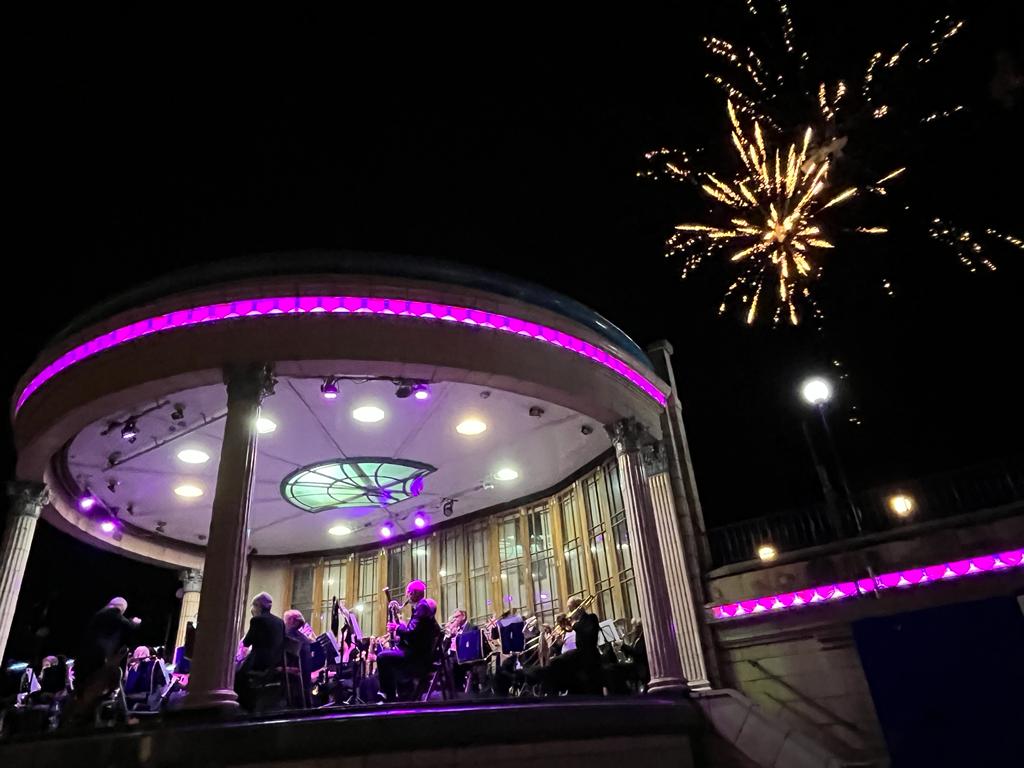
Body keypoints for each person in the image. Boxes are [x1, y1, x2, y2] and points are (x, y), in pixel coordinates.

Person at [376, 580, 439, 702]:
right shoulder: (421, 607)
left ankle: (387, 695)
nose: (406, 596)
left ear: (414, 593)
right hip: (418, 653)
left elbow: (411, 632)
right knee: (386, 657)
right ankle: (390, 694)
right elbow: (415, 633)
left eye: (408, 593)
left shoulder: (421, 607)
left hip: (417, 658)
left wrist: (397, 627)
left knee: (382, 657)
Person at [234, 592, 285, 710]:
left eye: (253, 606)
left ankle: (244, 707)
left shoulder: (257, 620)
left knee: (236, 675)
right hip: (275, 662)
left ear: (258, 606)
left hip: (260, 663)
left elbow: (246, 642)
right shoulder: (280, 622)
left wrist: (254, 619)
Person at [283, 609, 314, 706]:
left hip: (293, 683)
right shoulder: (304, 638)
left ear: (292, 621)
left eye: (285, 620)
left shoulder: (288, 637)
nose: (284, 623)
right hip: (305, 681)